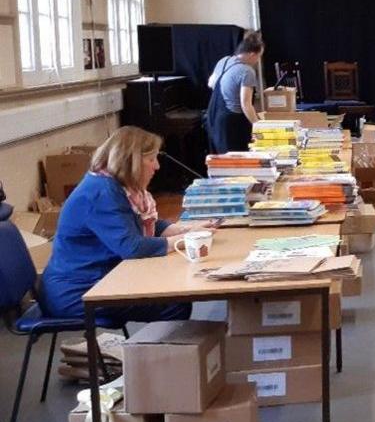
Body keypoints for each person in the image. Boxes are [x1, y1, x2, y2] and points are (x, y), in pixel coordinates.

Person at [40, 127, 213, 322]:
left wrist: (187, 229)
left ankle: (149, 350)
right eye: (151, 159)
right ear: (131, 161)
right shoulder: (102, 193)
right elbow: (132, 247)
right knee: (172, 304)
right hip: (76, 292)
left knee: (173, 293)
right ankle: (152, 352)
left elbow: (141, 224)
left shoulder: (116, 186)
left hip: (93, 280)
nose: (156, 166)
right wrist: (186, 240)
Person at [206, 31, 264, 153]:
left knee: (220, 161)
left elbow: (211, 83)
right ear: (252, 54)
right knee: (237, 163)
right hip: (232, 124)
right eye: (259, 57)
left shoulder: (225, 60)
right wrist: (259, 126)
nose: (258, 61)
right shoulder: (247, 71)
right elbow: (245, 104)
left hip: (213, 118)